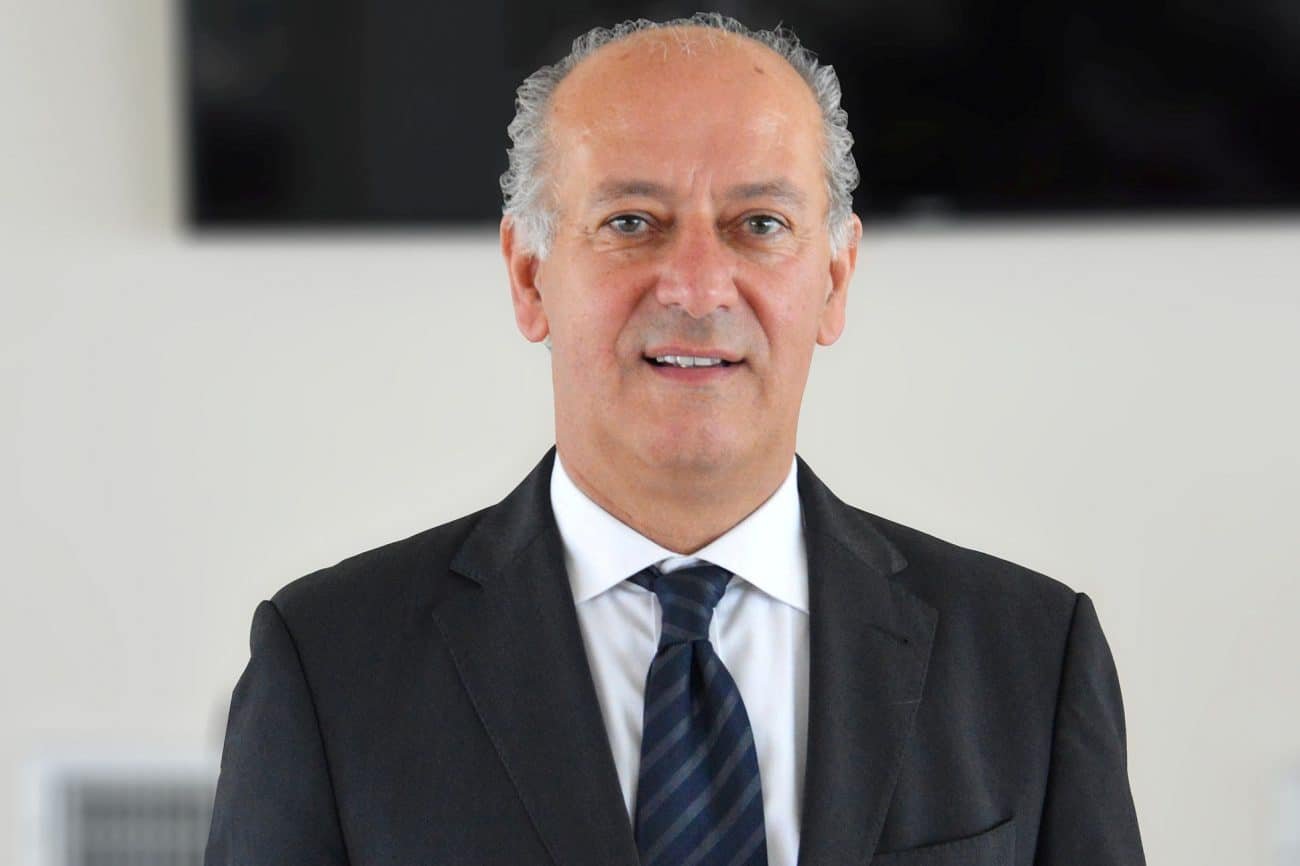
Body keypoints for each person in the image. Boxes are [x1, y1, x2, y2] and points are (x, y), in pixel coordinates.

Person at [204, 13, 1145, 866]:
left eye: (760, 224)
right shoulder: (328, 667)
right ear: (529, 278)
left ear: (835, 278)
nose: (697, 286)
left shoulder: (1031, 656)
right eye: (631, 222)